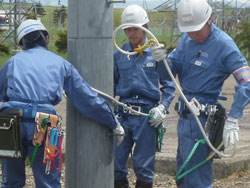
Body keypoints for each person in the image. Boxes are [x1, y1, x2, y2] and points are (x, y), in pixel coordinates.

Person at [0, 19, 125, 188]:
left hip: (12, 124)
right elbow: (87, 99)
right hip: (46, 124)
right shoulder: (61, 64)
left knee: (11, 182)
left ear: (22, 44)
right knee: (48, 182)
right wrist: (113, 122)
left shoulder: (12, 63)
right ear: (46, 39)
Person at [151, 0, 250, 187]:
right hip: (186, 118)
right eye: (188, 30)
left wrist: (234, 118)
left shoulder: (224, 45)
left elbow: (247, 82)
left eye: (196, 29)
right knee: (183, 176)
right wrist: (161, 61)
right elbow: (171, 71)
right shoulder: (186, 40)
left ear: (209, 20)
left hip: (203, 121)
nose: (193, 34)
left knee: (196, 179)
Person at [113, 4, 175, 188]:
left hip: (147, 117)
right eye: (128, 29)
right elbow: (111, 86)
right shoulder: (119, 54)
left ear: (144, 28)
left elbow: (169, 85)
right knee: (116, 161)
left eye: (135, 28)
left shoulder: (157, 54)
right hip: (123, 113)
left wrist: (162, 108)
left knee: (144, 165)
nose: (132, 33)